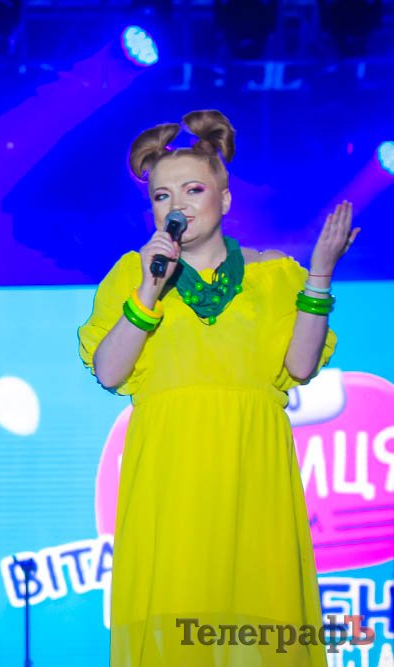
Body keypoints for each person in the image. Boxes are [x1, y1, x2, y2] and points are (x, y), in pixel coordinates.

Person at [77, 110, 358, 666]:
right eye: (162, 196)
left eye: (193, 189)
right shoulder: (134, 274)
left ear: (224, 200)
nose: (177, 205)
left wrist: (320, 275)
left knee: (260, 624)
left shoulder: (274, 276)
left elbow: (301, 366)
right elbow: (108, 371)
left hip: (253, 477)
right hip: (171, 484)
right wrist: (149, 290)